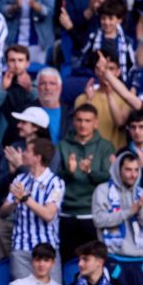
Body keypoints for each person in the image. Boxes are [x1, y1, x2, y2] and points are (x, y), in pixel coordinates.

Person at [57, 103, 115, 262]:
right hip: (66, 213)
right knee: (67, 262)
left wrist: (90, 172)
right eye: (79, 120)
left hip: (92, 214)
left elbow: (109, 179)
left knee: (92, 262)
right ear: (73, 122)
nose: (83, 124)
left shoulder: (105, 147)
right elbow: (54, 178)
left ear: (95, 122)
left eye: (88, 121)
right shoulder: (63, 146)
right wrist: (68, 172)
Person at [0, 139, 64, 281]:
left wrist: (25, 198)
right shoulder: (19, 180)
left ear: (38, 157)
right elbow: (3, 213)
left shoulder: (55, 183)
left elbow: (48, 214)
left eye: (28, 151)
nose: (23, 154)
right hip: (21, 250)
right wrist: (14, 203)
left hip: (47, 250)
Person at [92, 151, 143, 257]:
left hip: (140, 257)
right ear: (118, 170)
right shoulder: (102, 190)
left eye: (136, 170)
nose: (133, 175)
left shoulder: (141, 193)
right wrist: (129, 212)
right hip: (113, 256)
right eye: (128, 170)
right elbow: (98, 220)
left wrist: (140, 212)